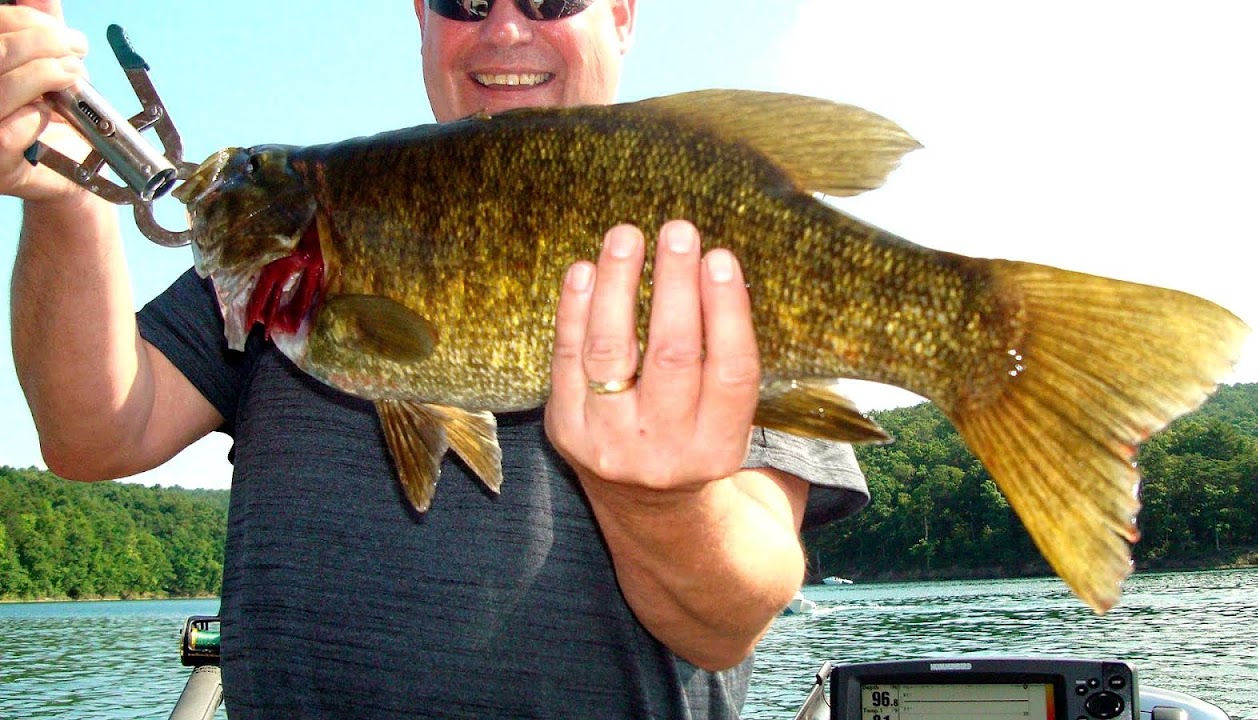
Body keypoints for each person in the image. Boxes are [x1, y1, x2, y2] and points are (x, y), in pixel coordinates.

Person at [2, 0, 867, 716]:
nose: (505, 29)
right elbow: (92, 436)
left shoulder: (709, 228)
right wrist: (65, 195)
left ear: (625, 15)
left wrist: (649, 494)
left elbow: (730, 619)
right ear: (422, 16)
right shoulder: (300, 244)